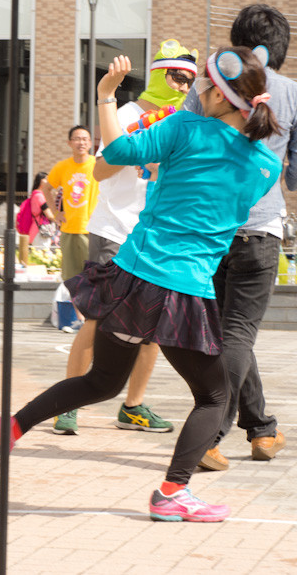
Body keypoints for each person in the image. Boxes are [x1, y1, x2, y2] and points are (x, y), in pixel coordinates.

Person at [0, 46, 283, 522]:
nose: (197, 92)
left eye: (204, 86)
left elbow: (117, 155)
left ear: (223, 98)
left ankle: (9, 429)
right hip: (182, 289)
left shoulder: (182, 127)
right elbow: (214, 204)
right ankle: (172, 493)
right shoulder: (266, 166)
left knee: (102, 380)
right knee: (214, 397)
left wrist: (106, 96)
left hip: (132, 276)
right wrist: (167, 171)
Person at [182, 5, 297, 471]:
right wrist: (283, 179)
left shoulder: (208, 86)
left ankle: (262, 428)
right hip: (260, 228)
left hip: (210, 228)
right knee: (237, 333)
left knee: (228, 332)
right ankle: (209, 435)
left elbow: (184, 139)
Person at [52, 39, 197, 437]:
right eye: (176, 76)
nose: (183, 86)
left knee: (153, 329)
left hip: (157, 236)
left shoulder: (183, 122)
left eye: (189, 80)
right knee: (97, 320)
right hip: (115, 230)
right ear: (158, 74)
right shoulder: (127, 113)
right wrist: (136, 149)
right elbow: (98, 172)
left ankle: (132, 406)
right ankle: (68, 404)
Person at [41, 125, 98, 327]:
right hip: (69, 229)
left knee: (94, 277)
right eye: (77, 139)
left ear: (90, 143)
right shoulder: (63, 166)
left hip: (93, 230)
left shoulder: (97, 164)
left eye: (85, 139)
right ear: (69, 143)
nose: (81, 142)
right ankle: (80, 319)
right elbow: (46, 187)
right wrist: (56, 213)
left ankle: (92, 319)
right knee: (72, 279)